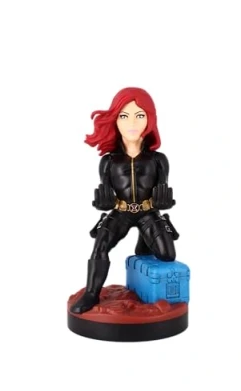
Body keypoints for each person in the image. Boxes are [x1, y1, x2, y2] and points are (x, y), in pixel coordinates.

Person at [70, 87, 178, 314]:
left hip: (148, 212)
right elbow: (106, 192)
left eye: (140, 115)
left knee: (167, 255)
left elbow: (162, 190)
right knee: (100, 246)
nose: (132, 123)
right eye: (124, 116)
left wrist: (163, 204)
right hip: (121, 212)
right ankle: (91, 292)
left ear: (150, 119)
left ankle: (144, 241)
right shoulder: (109, 161)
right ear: (115, 120)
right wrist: (104, 204)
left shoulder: (158, 160)